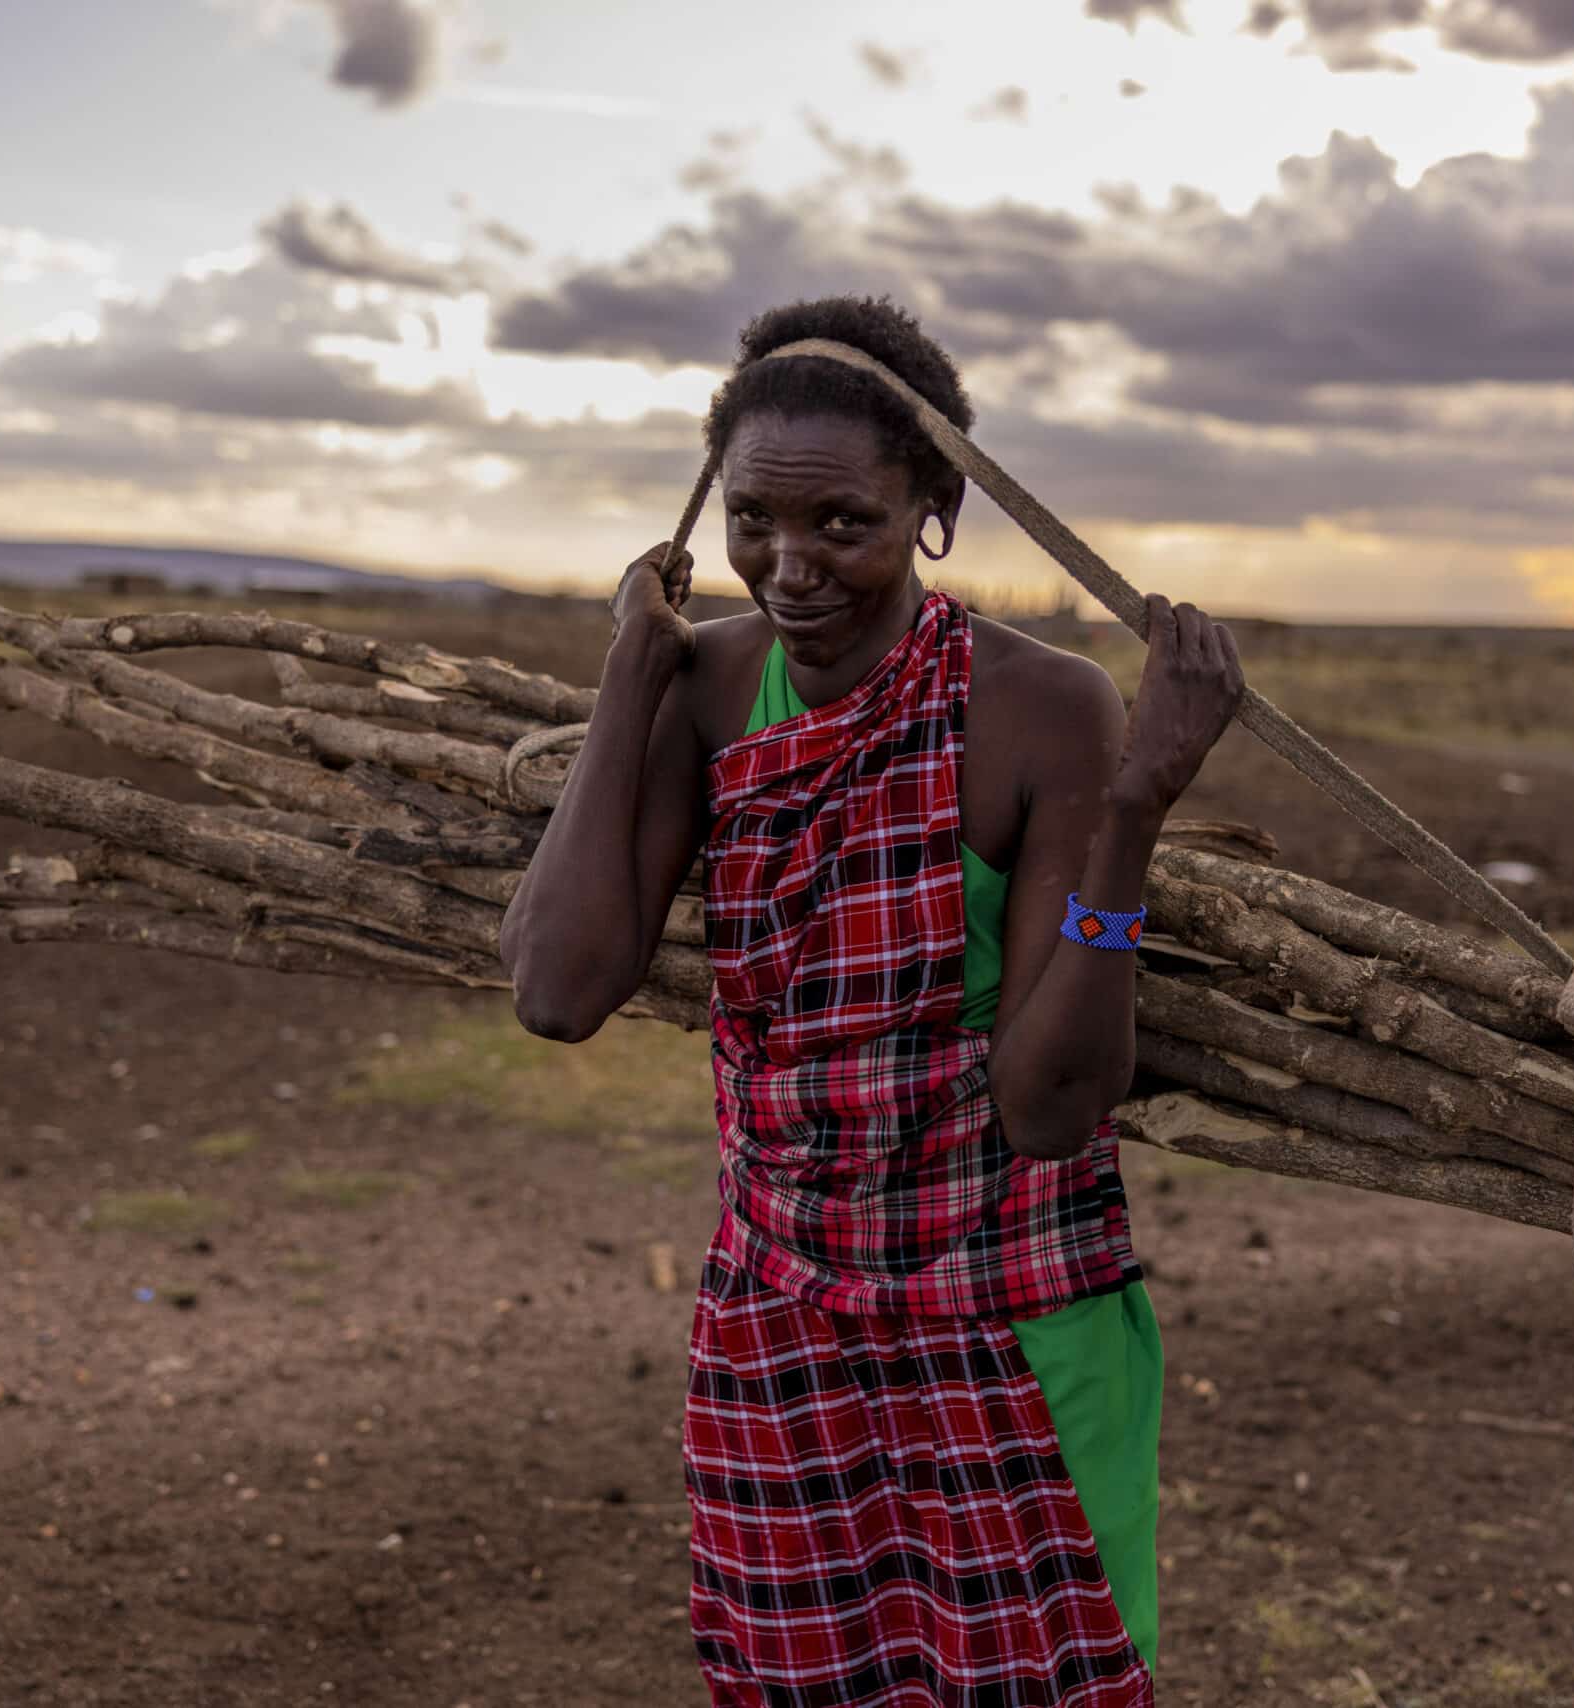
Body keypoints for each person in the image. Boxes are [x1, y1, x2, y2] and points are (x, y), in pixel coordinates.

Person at [499, 294, 1242, 1706]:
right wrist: (632, 671)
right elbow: (556, 989)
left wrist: (1136, 808)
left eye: (842, 522)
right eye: (754, 524)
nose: (790, 569)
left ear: (935, 510)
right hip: (781, 1321)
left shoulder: (1042, 707)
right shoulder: (709, 687)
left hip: (1010, 1318)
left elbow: (1049, 1109)